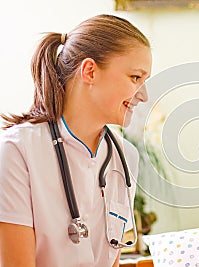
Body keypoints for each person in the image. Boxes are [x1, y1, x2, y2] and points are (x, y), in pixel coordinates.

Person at [0, 14, 152, 266]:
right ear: (89, 71)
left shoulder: (125, 157)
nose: (143, 95)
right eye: (135, 78)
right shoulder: (16, 151)